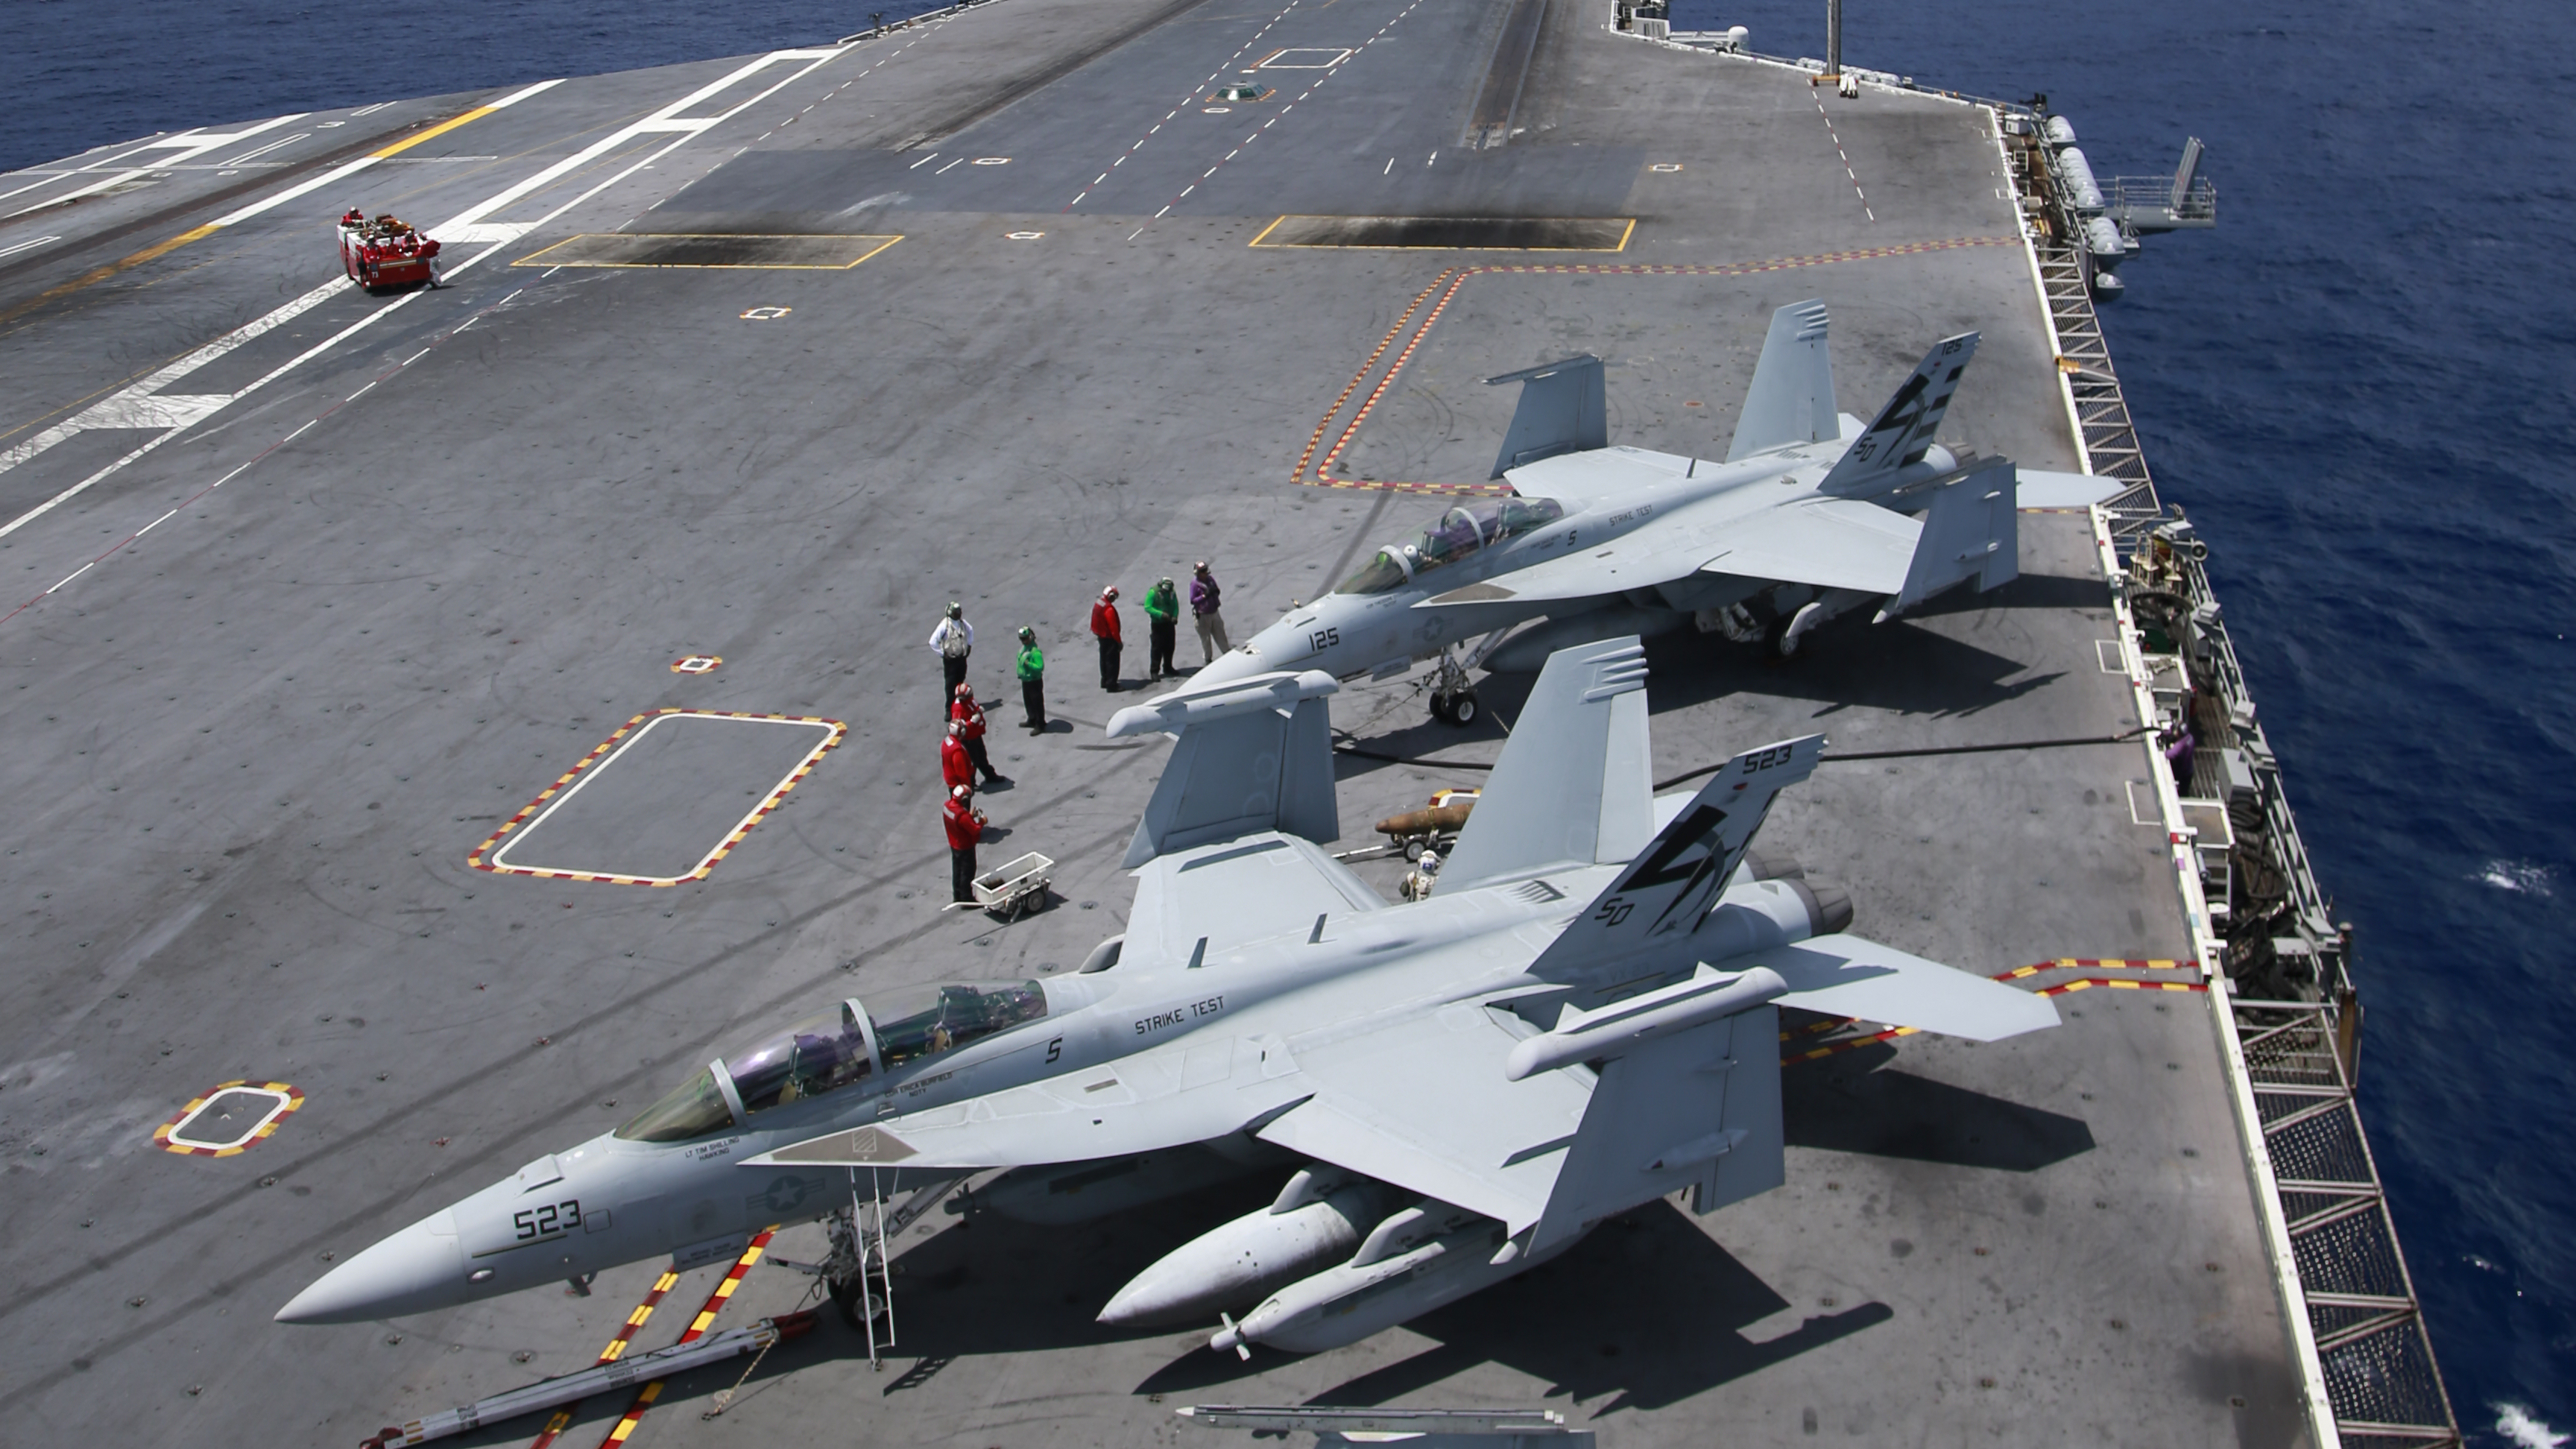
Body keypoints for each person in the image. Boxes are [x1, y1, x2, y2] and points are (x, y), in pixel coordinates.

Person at [950, 684, 1007, 786]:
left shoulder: (970, 700)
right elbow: (957, 728)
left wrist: (978, 710)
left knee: (982, 757)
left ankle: (990, 776)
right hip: (968, 739)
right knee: (973, 762)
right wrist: (971, 722)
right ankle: (969, 783)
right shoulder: (958, 709)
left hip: (976, 735)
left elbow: (973, 706)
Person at [927, 602, 973, 717]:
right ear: (951, 613)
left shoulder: (962, 623)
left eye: (960, 612)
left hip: (961, 658)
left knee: (960, 681)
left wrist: (969, 646)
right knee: (950, 685)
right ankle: (949, 709)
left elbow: (971, 630)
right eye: (957, 612)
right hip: (951, 661)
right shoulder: (945, 625)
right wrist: (943, 654)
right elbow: (933, 642)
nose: (960, 614)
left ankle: (960, 705)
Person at [944, 784, 986, 904]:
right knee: (967, 871)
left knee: (957, 869)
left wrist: (969, 816)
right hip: (965, 846)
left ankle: (957, 894)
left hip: (954, 844)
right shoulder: (962, 816)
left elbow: (959, 823)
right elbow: (975, 829)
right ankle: (966, 897)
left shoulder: (947, 806)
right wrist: (982, 821)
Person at [1190, 561, 1230, 666]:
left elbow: (1216, 589)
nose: (1205, 573)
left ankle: (1228, 654)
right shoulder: (1195, 584)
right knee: (1206, 639)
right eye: (1203, 571)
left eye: (1206, 570)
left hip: (1214, 612)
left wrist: (1215, 591)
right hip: (1203, 615)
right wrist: (1204, 596)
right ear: (1198, 573)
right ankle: (1208, 660)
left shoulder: (1210, 579)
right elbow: (1193, 600)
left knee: (1221, 634)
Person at [1143, 575, 1181, 679]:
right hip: (1158, 624)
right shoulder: (1153, 592)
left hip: (1169, 623)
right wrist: (1160, 614)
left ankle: (1168, 667)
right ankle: (1154, 671)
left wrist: (1174, 616)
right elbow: (1147, 607)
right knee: (1157, 648)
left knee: (1170, 646)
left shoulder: (1172, 592)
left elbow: (1175, 605)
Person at [1090, 585, 1123, 691]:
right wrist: (1118, 642)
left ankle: (1104, 680)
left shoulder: (1099, 603)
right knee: (1112, 662)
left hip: (1101, 636)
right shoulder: (1109, 609)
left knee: (1104, 659)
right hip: (1109, 639)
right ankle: (1112, 685)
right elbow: (1113, 628)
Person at [1015, 626, 1046, 732]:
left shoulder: (1035, 652)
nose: (1023, 641)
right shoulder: (1024, 649)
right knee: (1028, 702)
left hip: (1034, 681)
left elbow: (1040, 667)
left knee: (1037, 703)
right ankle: (1032, 719)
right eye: (1021, 639)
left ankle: (1040, 724)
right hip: (1026, 681)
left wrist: (1029, 665)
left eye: (1025, 639)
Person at [941, 719, 974, 793]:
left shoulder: (946, 741)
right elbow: (962, 773)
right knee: (963, 804)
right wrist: (967, 787)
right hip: (958, 784)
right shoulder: (958, 750)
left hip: (951, 780)